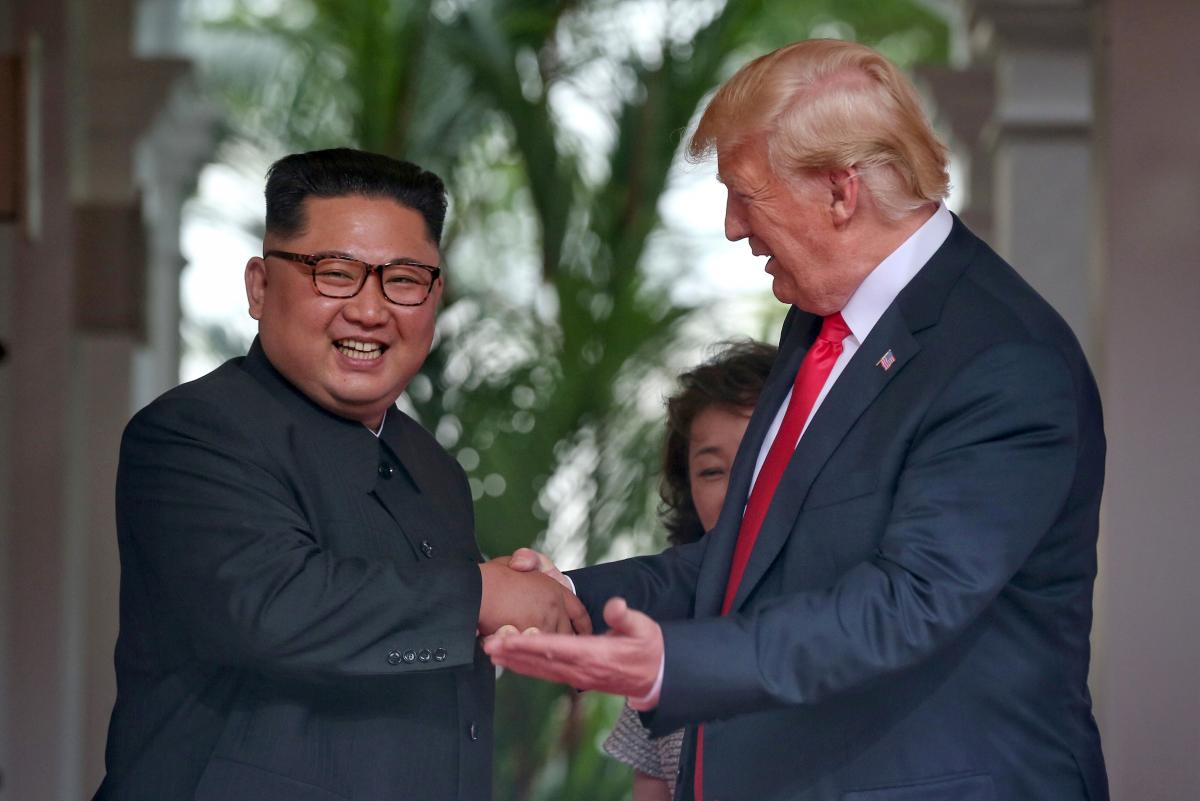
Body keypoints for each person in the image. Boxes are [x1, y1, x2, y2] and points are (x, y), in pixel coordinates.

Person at [487, 39, 1108, 801]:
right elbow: (750, 563)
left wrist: (674, 665)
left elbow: (908, 602)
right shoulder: (818, 324)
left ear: (842, 192)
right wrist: (566, 597)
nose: (731, 227)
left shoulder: (1001, 356)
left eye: (746, 192)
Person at [93, 148, 589, 801]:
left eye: (404, 279)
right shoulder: (194, 433)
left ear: (436, 296)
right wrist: (479, 595)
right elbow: (273, 607)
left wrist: (512, 602)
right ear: (260, 287)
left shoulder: (433, 468)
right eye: (336, 273)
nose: (370, 309)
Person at [602, 341, 777, 801]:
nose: (740, 490)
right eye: (713, 472)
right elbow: (653, 785)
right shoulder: (665, 627)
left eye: (764, 461)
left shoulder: (861, 608)